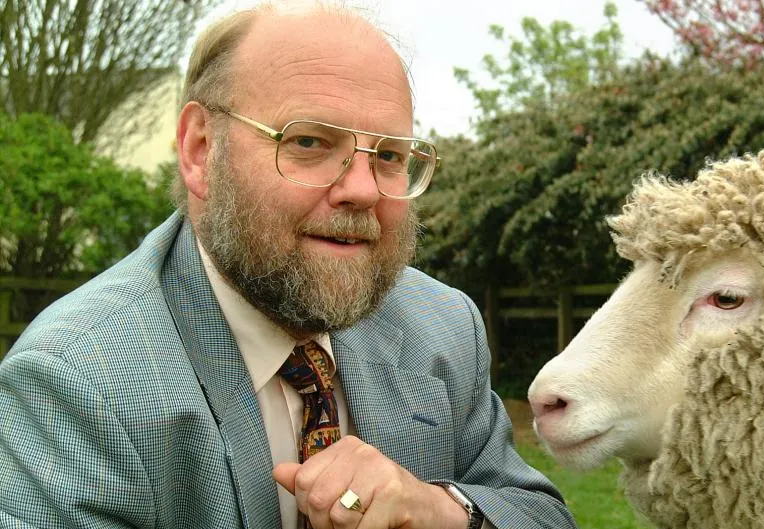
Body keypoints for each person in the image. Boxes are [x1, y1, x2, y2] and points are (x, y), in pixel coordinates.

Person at [0, 3, 577, 529]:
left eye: (390, 156)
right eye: (307, 142)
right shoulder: (75, 384)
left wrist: (440, 512)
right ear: (201, 150)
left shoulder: (444, 326)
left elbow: (542, 515)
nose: (362, 188)